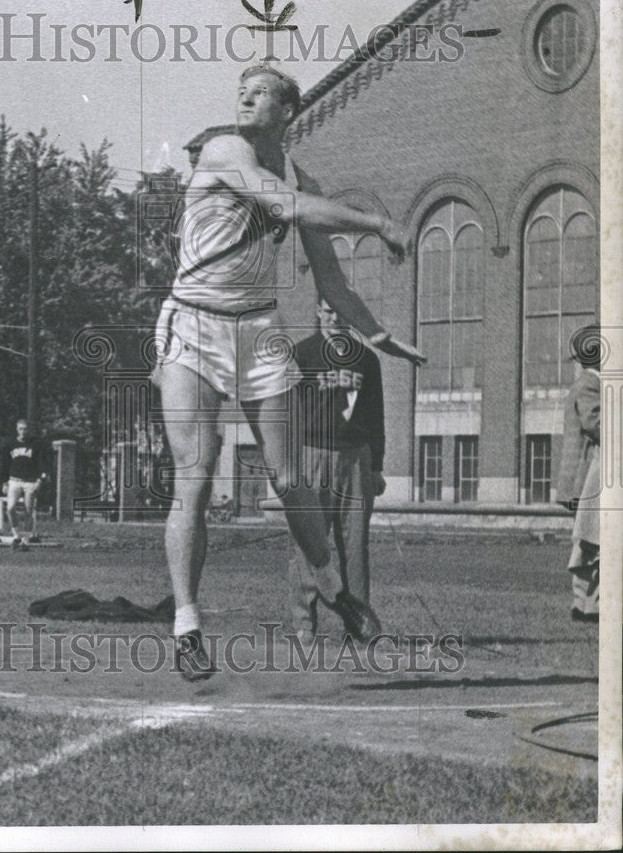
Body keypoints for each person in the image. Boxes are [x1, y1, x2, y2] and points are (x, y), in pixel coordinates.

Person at [154, 62, 424, 680]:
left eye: (261, 94)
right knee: (195, 473)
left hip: (258, 329)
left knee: (286, 473)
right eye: (241, 92)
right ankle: (188, 625)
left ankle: (332, 586)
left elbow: (332, 282)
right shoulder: (225, 149)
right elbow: (285, 204)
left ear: (289, 110)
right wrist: (377, 221)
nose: (246, 100)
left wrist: (382, 338)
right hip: (194, 322)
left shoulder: (300, 172)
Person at [289, 300, 386, 645]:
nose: (334, 317)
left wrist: (376, 466)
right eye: (328, 311)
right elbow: (286, 411)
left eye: (339, 312)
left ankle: (358, 623)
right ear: (317, 312)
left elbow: (376, 416)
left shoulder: (367, 359)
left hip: (355, 457)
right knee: (308, 542)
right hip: (311, 454)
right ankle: (304, 624)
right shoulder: (301, 354)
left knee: (355, 544)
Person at [556, 326, 601, 623]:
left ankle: (584, 604)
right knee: (590, 539)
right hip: (587, 478)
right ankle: (587, 604)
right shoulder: (589, 385)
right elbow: (595, 423)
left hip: (585, 478)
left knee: (588, 539)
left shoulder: (585, 383)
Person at [0, 419, 49, 551]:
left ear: (29, 430)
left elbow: (42, 463)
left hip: (30, 481)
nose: (23, 431)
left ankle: (25, 541)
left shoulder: (35, 444)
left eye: (25, 429)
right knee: (10, 508)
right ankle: (16, 536)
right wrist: (4, 482)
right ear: (17, 429)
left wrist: (40, 480)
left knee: (28, 510)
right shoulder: (10, 444)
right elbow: (5, 464)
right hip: (14, 480)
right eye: (20, 429)